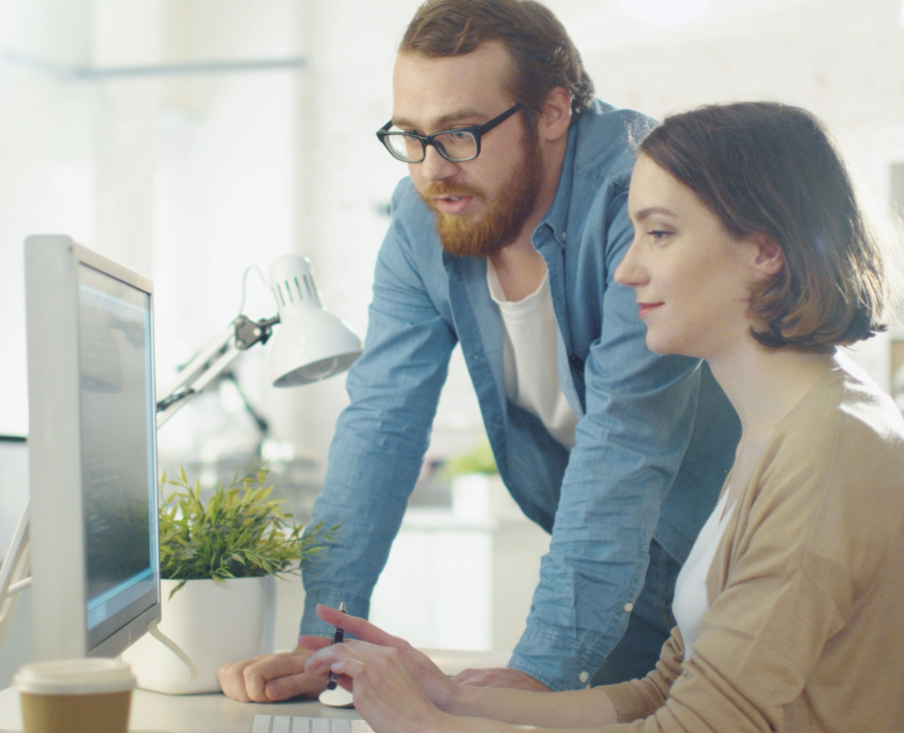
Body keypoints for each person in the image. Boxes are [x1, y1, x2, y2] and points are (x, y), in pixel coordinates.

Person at [296, 101, 904, 732]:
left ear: (763, 251)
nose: (627, 270)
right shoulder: (775, 431)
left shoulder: (830, 446)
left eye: (659, 234)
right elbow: (661, 694)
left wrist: (428, 727)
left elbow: (700, 727)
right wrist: (451, 700)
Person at [218, 0, 739, 701]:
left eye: (460, 134)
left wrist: (534, 674)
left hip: (729, 545)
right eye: (411, 136)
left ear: (553, 112)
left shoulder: (642, 195)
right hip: (615, 560)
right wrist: (325, 642)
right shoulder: (423, 218)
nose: (432, 170)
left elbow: (626, 439)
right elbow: (381, 424)